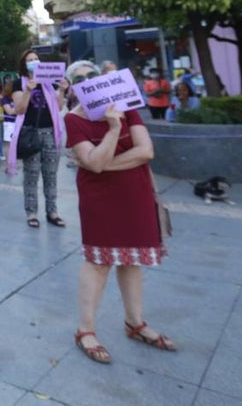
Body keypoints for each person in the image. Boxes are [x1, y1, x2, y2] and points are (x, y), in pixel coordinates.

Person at [63, 59, 174, 365]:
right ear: (73, 88)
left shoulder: (128, 106)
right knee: (98, 262)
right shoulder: (74, 119)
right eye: (79, 79)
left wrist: (103, 163)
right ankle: (85, 330)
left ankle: (134, 323)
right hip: (100, 199)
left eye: (92, 75)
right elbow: (93, 162)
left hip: (135, 193)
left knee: (132, 259)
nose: (88, 81)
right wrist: (113, 130)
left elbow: (145, 151)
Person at [12, 50, 68, 228]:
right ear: (24, 64)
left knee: (51, 175)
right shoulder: (18, 83)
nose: (34, 61)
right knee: (31, 175)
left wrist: (62, 91)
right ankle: (31, 213)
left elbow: (59, 107)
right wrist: (28, 90)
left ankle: (52, 212)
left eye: (36, 59)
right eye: (30, 60)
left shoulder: (48, 83)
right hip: (31, 135)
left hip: (50, 133)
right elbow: (19, 109)